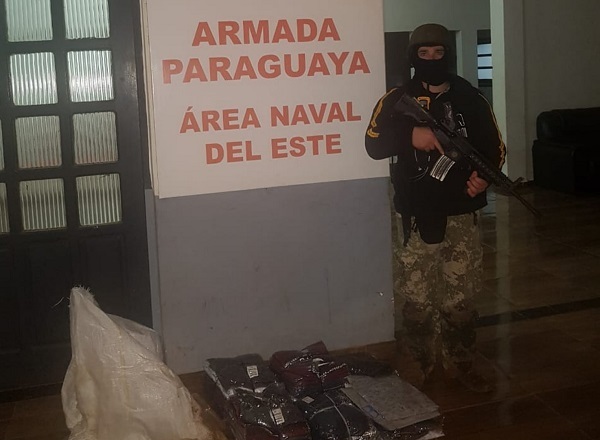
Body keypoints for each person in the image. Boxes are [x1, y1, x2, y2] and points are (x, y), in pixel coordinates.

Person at [364, 23, 505, 393]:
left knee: (460, 298)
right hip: (415, 214)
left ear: (448, 54)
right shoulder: (397, 99)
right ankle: (418, 365)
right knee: (417, 298)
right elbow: (373, 144)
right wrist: (410, 135)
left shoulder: (470, 97)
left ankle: (461, 363)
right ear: (413, 57)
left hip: (461, 213)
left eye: (438, 52)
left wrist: (483, 179)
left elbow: (494, 148)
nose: (431, 59)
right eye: (423, 53)